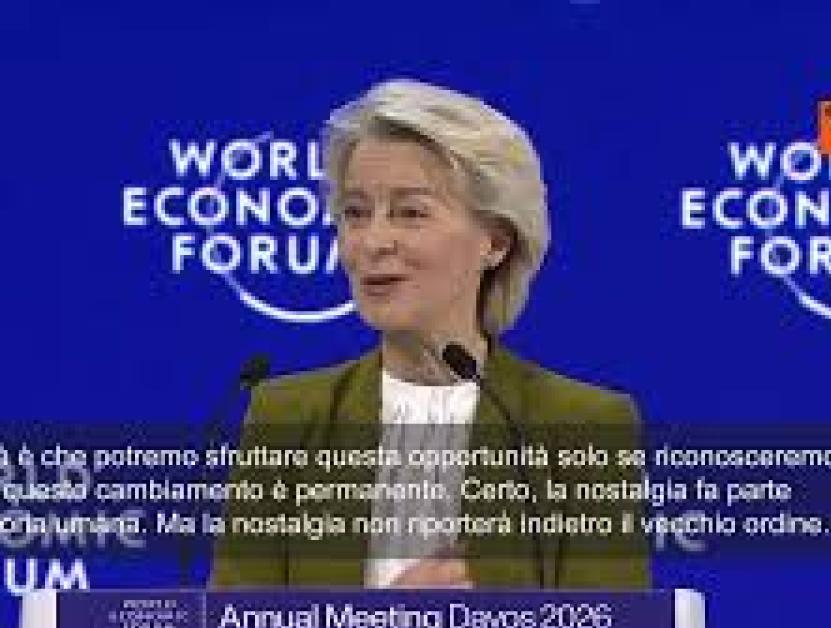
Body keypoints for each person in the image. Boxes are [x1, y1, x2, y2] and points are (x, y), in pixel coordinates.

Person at [210, 78, 650, 589]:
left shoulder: (582, 427)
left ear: (496, 241)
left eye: (410, 213)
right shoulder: (285, 417)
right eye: (355, 213)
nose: (374, 241)